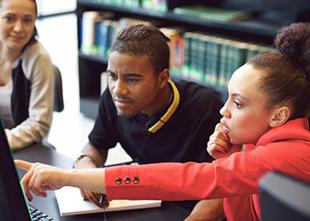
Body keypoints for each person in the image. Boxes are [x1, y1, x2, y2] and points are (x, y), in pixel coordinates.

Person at [16, 22, 310, 221]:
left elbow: (188, 178)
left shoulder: (284, 154)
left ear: (279, 115)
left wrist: (68, 178)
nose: (224, 111)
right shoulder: (258, 148)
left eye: (237, 102)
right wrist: (230, 157)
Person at [73, 24, 223, 209]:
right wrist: (85, 164)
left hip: (187, 207)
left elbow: (221, 187)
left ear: (162, 78)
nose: (118, 89)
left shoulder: (204, 107)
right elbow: (97, 144)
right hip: (149, 201)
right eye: (112, 76)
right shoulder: (114, 98)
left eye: (132, 79)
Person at [0, 0, 54, 150]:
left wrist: (4, 142)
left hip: (25, 149)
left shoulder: (39, 59)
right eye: (9, 18)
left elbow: (39, 123)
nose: (18, 28)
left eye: (27, 20)